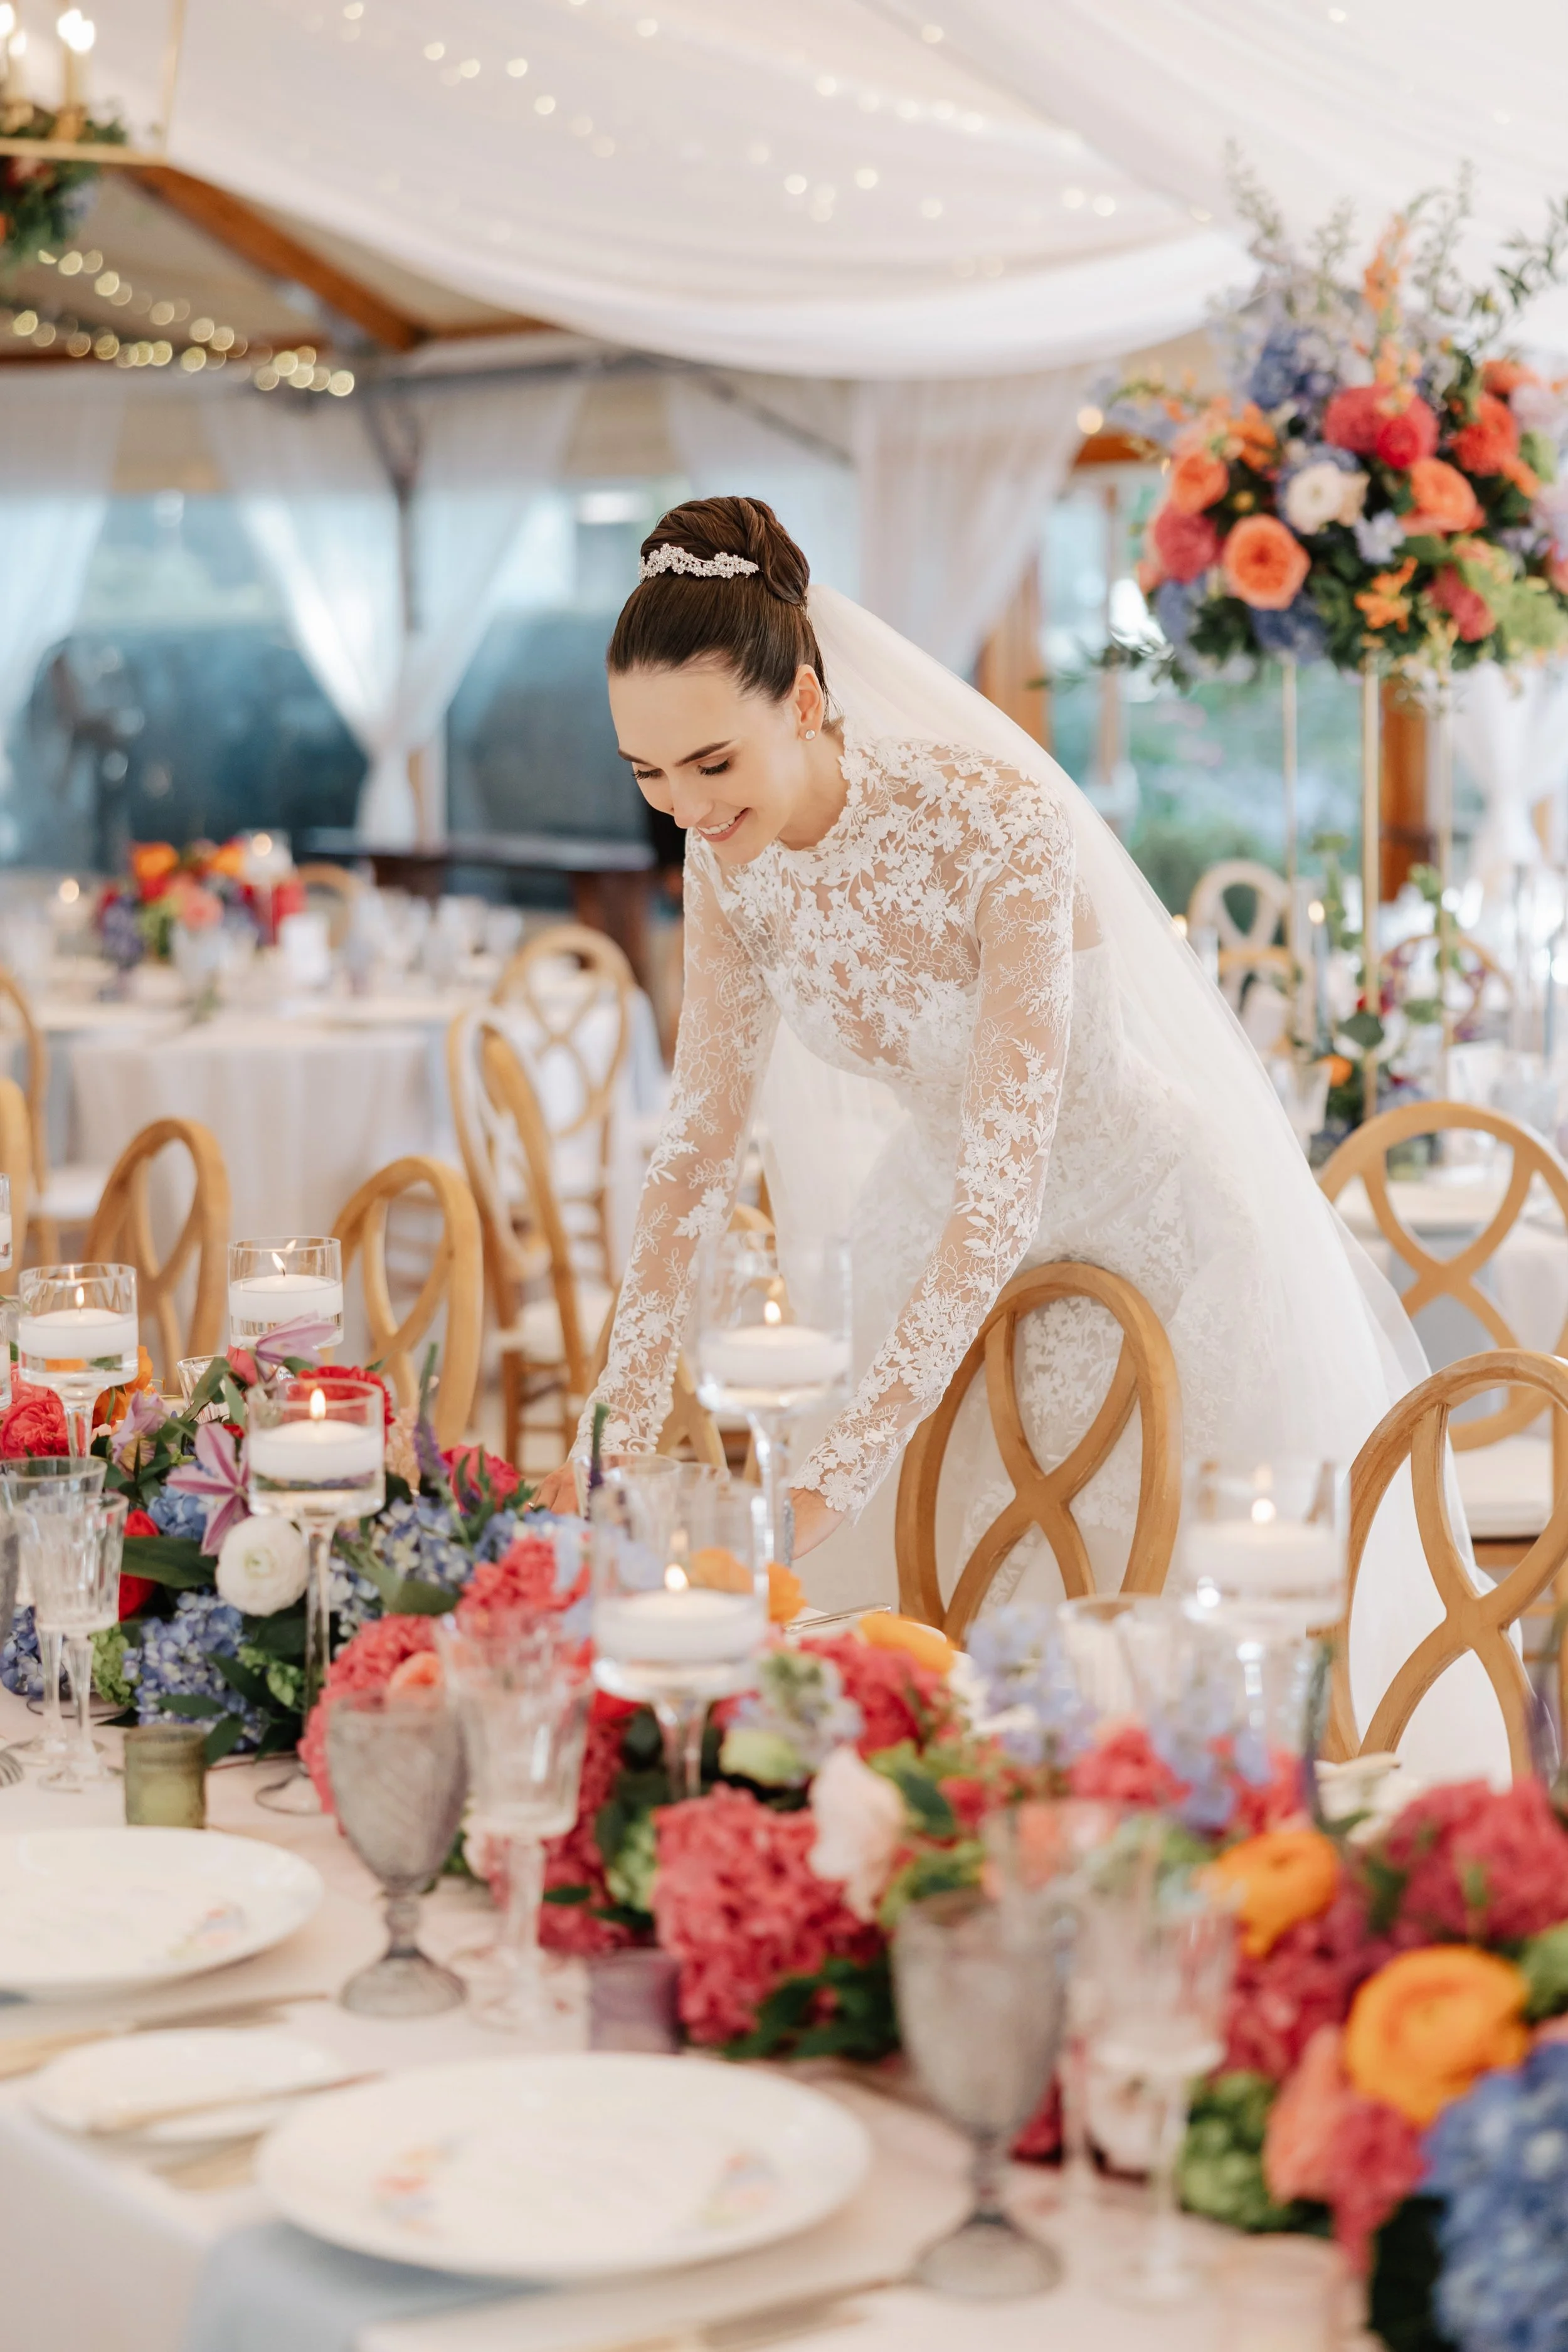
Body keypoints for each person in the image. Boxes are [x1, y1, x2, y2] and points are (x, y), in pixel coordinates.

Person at [533, 494, 1504, 1781]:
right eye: (647, 775)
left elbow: (1006, 1184)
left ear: (808, 705)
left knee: (1141, 1653)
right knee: (928, 1667)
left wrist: (844, 1458)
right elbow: (695, 1153)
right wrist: (611, 1419)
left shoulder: (992, 825)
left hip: (1141, 1242)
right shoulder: (729, 863)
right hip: (922, 1245)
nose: (683, 811)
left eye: (711, 764)